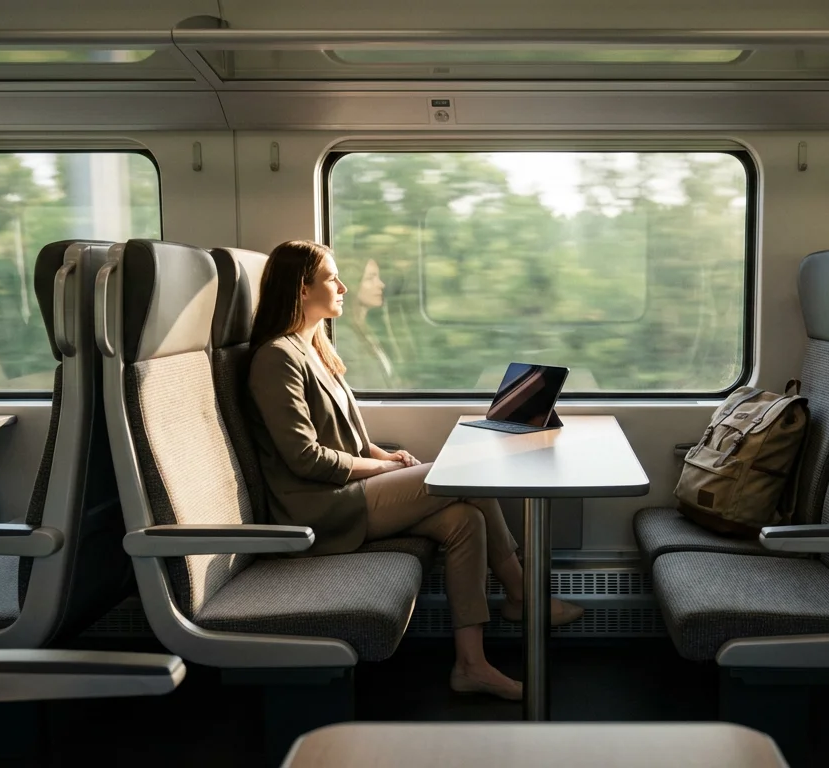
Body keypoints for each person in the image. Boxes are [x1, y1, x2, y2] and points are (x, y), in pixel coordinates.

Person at [245, 240, 583, 702]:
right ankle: (522, 594)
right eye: (332, 278)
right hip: (317, 509)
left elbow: (345, 437)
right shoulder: (276, 358)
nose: (343, 287)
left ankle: (471, 665)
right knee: (465, 479)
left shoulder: (315, 350)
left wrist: (383, 456)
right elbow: (305, 457)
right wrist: (377, 468)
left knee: (464, 520)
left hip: (343, 492)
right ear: (302, 289)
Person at [336, 257, 397, 389]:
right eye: (370, 278)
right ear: (352, 284)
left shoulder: (366, 329)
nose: (381, 284)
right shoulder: (343, 336)